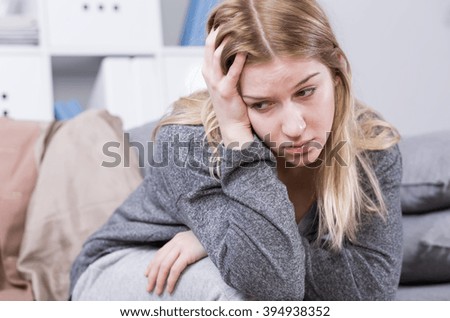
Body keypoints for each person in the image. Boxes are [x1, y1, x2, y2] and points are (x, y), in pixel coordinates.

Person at [70, 0, 402, 301]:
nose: (294, 127)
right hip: (128, 264)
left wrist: (222, 244)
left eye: (306, 91)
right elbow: (271, 285)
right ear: (231, 96)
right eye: (262, 104)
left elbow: (372, 289)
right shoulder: (188, 143)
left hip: (228, 268)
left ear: (338, 69)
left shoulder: (370, 144)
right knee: (239, 295)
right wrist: (237, 138)